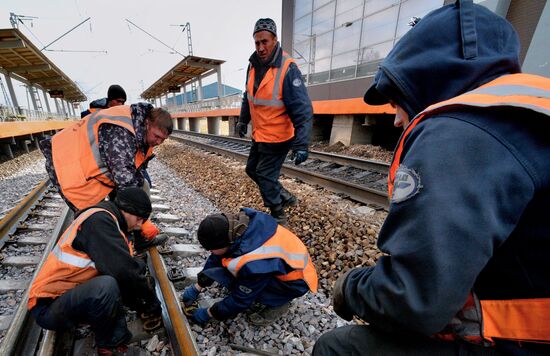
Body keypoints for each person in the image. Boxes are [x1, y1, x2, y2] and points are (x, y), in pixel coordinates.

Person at [314, 1, 550, 355]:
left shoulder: (458, 132)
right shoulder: (530, 108)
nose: (396, 119)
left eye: (397, 101)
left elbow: (414, 301)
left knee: (338, 348)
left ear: (427, 77)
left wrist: (351, 287)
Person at [28, 187, 162, 355]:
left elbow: (126, 267)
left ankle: (97, 320)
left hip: (69, 295)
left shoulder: (109, 218)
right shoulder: (99, 222)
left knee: (133, 266)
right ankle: (111, 346)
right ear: (126, 210)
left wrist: (136, 301)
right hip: (48, 306)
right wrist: (149, 301)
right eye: (139, 218)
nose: (140, 225)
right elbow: (123, 272)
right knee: (106, 286)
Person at [39, 102, 173, 251]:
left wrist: (140, 219)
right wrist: (143, 220)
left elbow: (136, 173)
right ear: (147, 124)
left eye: (163, 140)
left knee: (142, 186)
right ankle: (94, 258)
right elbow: (125, 180)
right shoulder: (122, 131)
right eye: (157, 136)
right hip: (67, 166)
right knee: (93, 217)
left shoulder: (140, 130)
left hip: (90, 168)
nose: (158, 142)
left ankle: (137, 240)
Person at [180, 208, 318, 326]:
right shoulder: (237, 227)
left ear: (225, 243)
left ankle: (279, 303)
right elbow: (216, 257)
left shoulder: (255, 263)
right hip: (283, 264)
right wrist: (198, 286)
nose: (210, 252)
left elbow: (241, 299)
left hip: (295, 282)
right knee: (227, 265)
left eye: (211, 249)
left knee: (246, 289)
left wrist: (209, 313)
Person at [236, 18, 313, 224]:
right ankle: (285, 196)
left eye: (265, 42)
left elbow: (302, 109)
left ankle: (279, 215)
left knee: (264, 174)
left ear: (275, 40)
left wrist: (301, 143)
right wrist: (243, 120)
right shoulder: (252, 66)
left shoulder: (288, 69)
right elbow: (248, 96)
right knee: (252, 169)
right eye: (257, 43)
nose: (261, 47)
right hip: (261, 134)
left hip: (279, 136)